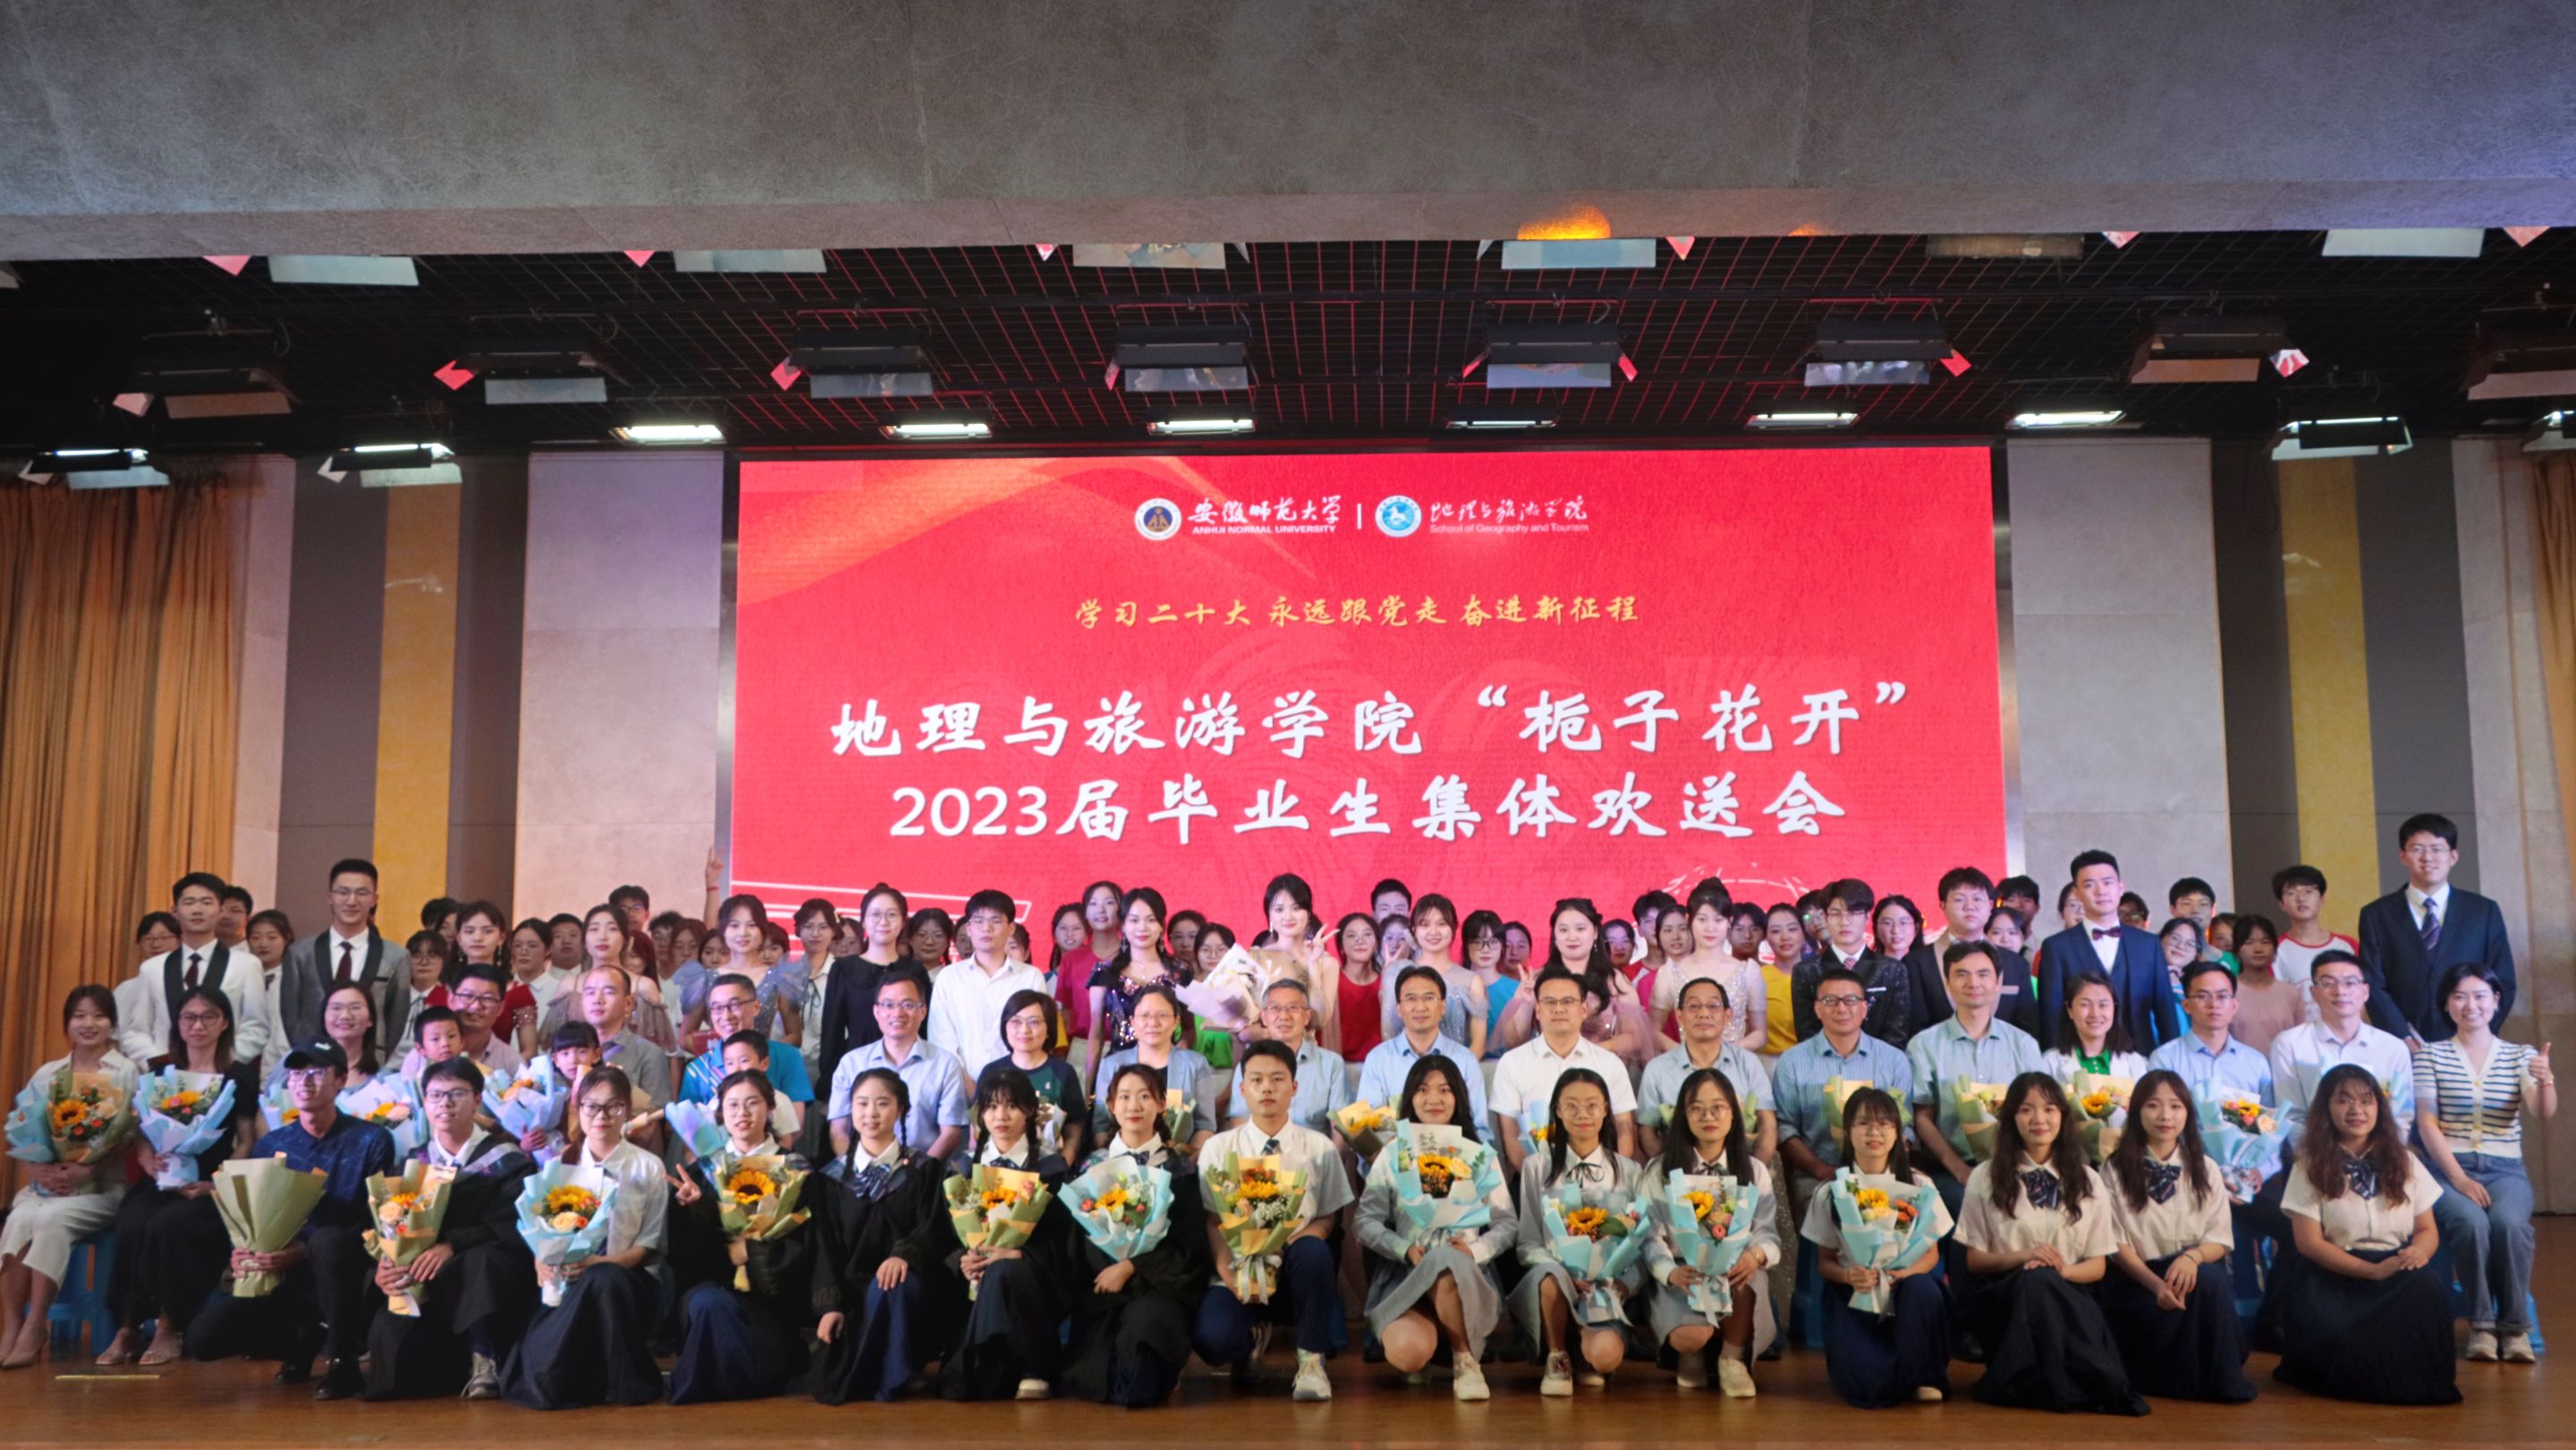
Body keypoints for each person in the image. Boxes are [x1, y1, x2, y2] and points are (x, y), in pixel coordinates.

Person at [185, 1039, 398, 1398]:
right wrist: (246, 1250)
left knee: (327, 1242)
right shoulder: (272, 1144)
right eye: (297, 1074)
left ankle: (342, 1361)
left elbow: (376, 1221)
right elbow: (258, 1216)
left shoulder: (372, 1139)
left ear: (340, 1080)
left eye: (316, 1073)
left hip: (347, 1272)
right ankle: (301, 1343)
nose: (304, 1082)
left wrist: (303, 1250)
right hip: (286, 1276)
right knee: (202, 1339)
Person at [1953, 1073, 2146, 1415]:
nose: (2038, 1119)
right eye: (2026, 1109)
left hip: (2070, 1295)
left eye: (2049, 1109)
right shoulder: (1985, 1175)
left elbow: (2097, 1266)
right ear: (2011, 1118)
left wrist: (2061, 1271)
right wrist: (2024, 1257)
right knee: (2036, 1281)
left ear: (2063, 1116)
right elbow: (1975, 1260)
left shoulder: (2089, 1180)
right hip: (2007, 1299)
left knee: (2044, 1281)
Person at [97, 984, 261, 1368]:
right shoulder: (160, 1072)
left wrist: (216, 1183)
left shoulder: (239, 1076)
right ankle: (128, 1326)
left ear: (224, 1023)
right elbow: (139, 1131)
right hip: (161, 1178)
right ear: (178, 1024)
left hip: (209, 1186)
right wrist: (147, 1158)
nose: (198, 1026)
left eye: (208, 1017)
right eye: (189, 1018)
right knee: (132, 1223)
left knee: (169, 1227)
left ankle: (170, 1324)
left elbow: (247, 1140)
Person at [2275, 1064, 2460, 1403]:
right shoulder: (2308, 1165)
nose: (2356, 1110)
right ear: (2327, 1108)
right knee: (2342, 1340)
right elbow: (2308, 1243)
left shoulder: (2406, 1161)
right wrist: (2370, 1271)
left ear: (2379, 1107)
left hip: (2395, 1266)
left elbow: (2427, 1230)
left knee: (2428, 1290)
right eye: (2343, 1100)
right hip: (2333, 1272)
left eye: (2366, 1100)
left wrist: (2419, 1252)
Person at [361, 1056, 538, 1400]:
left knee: (479, 1261)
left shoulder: (508, 1160)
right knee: (397, 1374)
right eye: (436, 1095)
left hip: (487, 1276)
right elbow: (391, 1227)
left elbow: (510, 1224)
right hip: (429, 1276)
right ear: (425, 1103)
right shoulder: (411, 1165)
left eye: (457, 1093)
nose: (446, 1103)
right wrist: (387, 1262)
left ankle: (485, 1356)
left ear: (477, 1099)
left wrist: (452, 1245)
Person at [1191, 1039, 1354, 1402]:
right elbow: (1212, 1219)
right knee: (1214, 1340)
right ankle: (1248, 1342)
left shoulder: (1319, 1147)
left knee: (1314, 1251)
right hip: (1239, 1270)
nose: (1267, 1088)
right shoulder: (1219, 1148)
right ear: (1242, 1089)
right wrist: (1227, 1272)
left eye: (1278, 1079)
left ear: (1294, 1087)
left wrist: (1299, 1238)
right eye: (1257, 1080)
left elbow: (1329, 1216)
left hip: (1296, 1268)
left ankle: (1311, 1363)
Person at [500, 1064, 668, 1409]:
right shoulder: (561, 1164)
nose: (601, 1116)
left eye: (613, 1106)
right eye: (592, 1106)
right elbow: (542, 1229)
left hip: (627, 1281)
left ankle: (624, 1385)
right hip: (568, 1280)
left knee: (603, 1279)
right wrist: (541, 1261)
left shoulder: (648, 1167)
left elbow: (648, 1245)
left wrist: (598, 1263)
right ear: (579, 1109)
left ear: (627, 1110)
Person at [2416, 962, 2555, 1362]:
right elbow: (2426, 1124)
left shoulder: (2520, 1055)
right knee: (2471, 1223)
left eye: (2480, 996)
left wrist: (2545, 1080)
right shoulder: (2430, 1055)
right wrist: (2458, 1178)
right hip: (2447, 1168)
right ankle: (2481, 1325)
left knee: (2510, 1224)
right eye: (2459, 996)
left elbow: (2542, 1111)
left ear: (2495, 1000)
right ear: (2447, 1004)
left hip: (2505, 1169)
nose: (2470, 1005)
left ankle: (2514, 1329)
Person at [1352, 1055, 1512, 1401]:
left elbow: (1506, 1223)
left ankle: (1465, 1359)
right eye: (1423, 1090)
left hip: (1465, 1274)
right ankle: (1432, 1350)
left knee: (1446, 1260)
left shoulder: (1479, 1155)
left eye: (1445, 1090)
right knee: (1407, 1354)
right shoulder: (1393, 1154)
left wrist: (1474, 1251)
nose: (1434, 1099)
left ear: (1459, 1098)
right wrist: (1403, 1248)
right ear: (1410, 1097)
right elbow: (1364, 1221)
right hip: (1407, 1273)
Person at [1, 987, 141, 1368]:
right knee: (18, 1220)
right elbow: (22, 1127)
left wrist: (88, 1169)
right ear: (67, 1024)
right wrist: (37, 1169)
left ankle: (36, 1324)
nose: (88, 1023)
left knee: (49, 1220)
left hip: (103, 1188)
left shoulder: (126, 1072)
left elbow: (129, 1136)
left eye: (98, 1015)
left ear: (112, 1023)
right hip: (46, 1186)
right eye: (79, 1015)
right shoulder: (48, 1073)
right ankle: (11, 1326)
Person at [809, 1068, 964, 1404]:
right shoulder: (830, 1179)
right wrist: (830, 1306)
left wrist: (903, 1254)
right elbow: (825, 1246)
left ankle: (896, 1374)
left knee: (892, 1285)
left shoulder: (924, 1170)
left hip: (913, 1286)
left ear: (901, 1109)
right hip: (853, 1292)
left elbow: (936, 1228)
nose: (871, 1113)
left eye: (882, 1103)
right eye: (862, 1103)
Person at [1063, 1061, 1213, 1407]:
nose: (1134, 1106)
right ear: (1111, 1106)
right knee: (1094, 1378)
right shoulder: (1092, 1167)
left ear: (1161, 1104)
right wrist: (1110, 1268)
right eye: (1125, 1097)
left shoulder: (1179, 1167)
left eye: (1145, 1096)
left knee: (1141, 1383)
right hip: (1104, 1290)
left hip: (1161, 1288)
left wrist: (1132, 1267)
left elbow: (1190, 1244)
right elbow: (1079, 1239)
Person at [2100, 1069, 2254, 1402]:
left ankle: (2218, 1383)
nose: (2165, 1116)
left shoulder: (2206, 1168)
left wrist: (2191, 1258)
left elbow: (2219, 1238)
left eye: (2175, 1106)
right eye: (2153, 1105)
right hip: (2138, 1279)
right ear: (2137, 1111)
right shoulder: (2114, 1168)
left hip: (2191, 1272)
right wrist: (2156, 1286)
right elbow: (2115, 1244)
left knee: (2209, 1281)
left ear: (2187, 1112)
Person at [665, 1069, 817, 1403]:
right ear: (721, 1112)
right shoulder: (703, 1171)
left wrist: (753, 1251)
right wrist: (693, 1209)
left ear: (770, 1108)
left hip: (772, 1295)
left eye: (752, 1103)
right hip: (714, 1285)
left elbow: (808, 1243)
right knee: (708, 1303)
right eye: (732, 1105)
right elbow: (683, 1257)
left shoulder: (795, 1169)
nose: (742, 1113)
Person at [1802, 1086, 1953, 1406]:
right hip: (1855, 1294)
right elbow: (1825, 1262)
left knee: (1923, 1289)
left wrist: (1906, 1273)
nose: (1874, 1132)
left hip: (1907, 1291)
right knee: (1868, 1390)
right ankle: (1892, 1374)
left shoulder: (1919, 1184)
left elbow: (1932, 1254)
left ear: (1898, 1133)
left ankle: (1924, 1374)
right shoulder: (1830, 1191)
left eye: (1884, 1124)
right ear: (1847, 1132)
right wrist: (1849, 1276)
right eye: (1863, 1123)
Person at [940, 1065, 1073, 1401]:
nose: (1001, 1116)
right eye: (992, 1106)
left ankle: (1028, 1367)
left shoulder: (1050, 1168)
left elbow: (1065, 1240)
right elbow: (943, 1233)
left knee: (1006, 1270)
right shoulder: (961, 1168)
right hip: (973, 1278)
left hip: (1031, 1282)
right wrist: (965, 1259)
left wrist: (1019, 1254)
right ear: (980, 1114)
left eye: (1012, 1105)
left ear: (1030, 1111)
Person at [1640, 1070, 1777, 1396]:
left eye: (1718, 1107)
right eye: (1697, 1109)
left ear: (1734, 1113)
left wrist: (1755, 1256)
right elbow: (1648, 1236)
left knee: (1749, 1279)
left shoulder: (1754, 1170)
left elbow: (1767, 1233)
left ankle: (1732, 1358)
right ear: (1683, 1116)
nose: (1708, 1117)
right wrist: (1670, 1272)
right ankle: (1692, 1353)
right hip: (1683, 1273)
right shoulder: (1660, 1170)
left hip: (1734, 1273)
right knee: (1690, 1336)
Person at [1511, 1069, 1645, 1395]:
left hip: (1604, 1291)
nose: (1582, 1114)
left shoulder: (1629, 1171)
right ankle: (1557, 1355)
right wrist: (1561, 1272)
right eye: (1571, 1105)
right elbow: (1527, 1242)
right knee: (1549, 1278)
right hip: (1552, 1288)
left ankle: (1585, 1354)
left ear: (1605, 1110)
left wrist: (1626, 1285)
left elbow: (1641, 1245)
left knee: (1605, 1358)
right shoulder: (1536, 1167)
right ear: (1557, 1111)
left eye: (1592, 1105)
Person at [1908, 943, 2043, 1223]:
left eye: (1983, 974)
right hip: (1951, 1169)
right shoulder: (1924, 1045)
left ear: (1998, 982)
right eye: (1961, 974)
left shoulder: (2023, 1044)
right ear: (1947, 983)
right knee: (1967, 1206)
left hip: (2018, 1165)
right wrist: (1959, 1170)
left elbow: (2038, 1112)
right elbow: (1922, 1117)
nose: (1973, 983)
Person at [1771, 965, 1914, 1229]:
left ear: (1864, 1008)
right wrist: (1820, 1169)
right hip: (1818, 1176)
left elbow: (1905, 1126)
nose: (1841, 1008)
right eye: (1830, 1001)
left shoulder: (1894, 1060)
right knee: (1827, 1209)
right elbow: (1785, 1129)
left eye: (1851, 1000)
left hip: (1884, 1173)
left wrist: (1881, 1172)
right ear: (1817, 1009)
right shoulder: (1792, 1062)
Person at [2358, 812, 2519, 1044]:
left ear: (2453, 856)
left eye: (2437, 849)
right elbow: (2372, 983)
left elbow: (2503, 980)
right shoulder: (2376, 915)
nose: (2428, 857)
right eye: (2417, 849)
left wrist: (2479, 1033)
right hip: (2405, 1045)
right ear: (2403, 856)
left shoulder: (2483, 911)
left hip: (2470, 1041)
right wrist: (2402, 1037)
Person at [1492, 965, 1640, 1174]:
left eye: (1568, 1001)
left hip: (1600, 1175)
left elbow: (1624, 1126)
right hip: (1536, 1175)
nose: (1559, 1009)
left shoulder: (1609, 1063)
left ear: (1584, 1010)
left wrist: (1614, 1175)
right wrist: (1536, 1180)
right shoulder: (1513, 1062)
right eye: (1550, 1002)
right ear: (1538, 1010)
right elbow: (1510, 1134)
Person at [123, 871, 274, 1069]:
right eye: (189, 902)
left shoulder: (246, 965)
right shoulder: (152, 969)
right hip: (165, 1075)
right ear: (175, 911)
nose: (197, 910)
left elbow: (256, 1027)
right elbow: (137, 1031)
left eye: (206, 902)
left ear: (221, 910)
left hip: (223, 1072)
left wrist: (217, 1063)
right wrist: (160, 1064)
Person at [2036, 850, 2182, 1051]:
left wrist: (2170, 1060)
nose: (2101, 891)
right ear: (2077, 894)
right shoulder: (2057, 948)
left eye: (2107, 882)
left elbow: (2165, 1012)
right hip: (2079, 1059)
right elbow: (2051, 1017)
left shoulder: (2149, 945)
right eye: (2089, 885)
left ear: (2120, 888)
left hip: (2141, 1057)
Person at [826, 970, 969, 1163]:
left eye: (908, 1005)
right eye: (888, 1005)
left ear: (923, 1011)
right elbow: (838, 1129)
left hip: (924, 1171)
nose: (898, 1013)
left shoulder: (946, 1065)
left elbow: (950, 1134)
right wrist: (856, 1167)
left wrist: (916, 1173)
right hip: (861, 1170)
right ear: (876, 1011)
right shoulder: (852, 1063)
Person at [275, 858, 409, 1059]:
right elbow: (291, 1015)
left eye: (362, 893)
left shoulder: (396, 956)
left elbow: (396, 1021)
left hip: (369, 1062)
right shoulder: (300, 953)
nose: (351, 901)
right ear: (329, 897)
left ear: (374, 899)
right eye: (343, 892)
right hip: (312, 1060)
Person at [1636, 977, 1775, 1161]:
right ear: (1679, 1016)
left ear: (1727, 1016)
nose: (1703, 1013)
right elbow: (1646, 1131)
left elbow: (1768, 1123)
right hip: (1679, 1171)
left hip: (1742, 1165)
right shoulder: (1658, 1069)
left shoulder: (1748, 1063)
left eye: (1713, 1006)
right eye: (1694, 1006)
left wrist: (1754, 1170)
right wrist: (1671, 1172)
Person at [1356, 965, 1491, 1134]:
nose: (1420, 1007)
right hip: (1396, 1150)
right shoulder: (1378, 1059)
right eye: (1411, 999)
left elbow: (1480, 1129)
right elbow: (1369, 1127)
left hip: (1454, 1150)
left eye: (1429, 998)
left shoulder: (1465, 1060)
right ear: (1398, 1008)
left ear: (1443, 1006)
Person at [928, 890, 1047, 1080]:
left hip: (1017, 1086)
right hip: (957, 1087)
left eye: (996, 921)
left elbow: (1036, 1037)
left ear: (1011, 928)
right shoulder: (949, 978)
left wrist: (1007, 1091)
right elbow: (941, 1043)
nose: (987, 928)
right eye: (979, 921)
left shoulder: (1030, 977)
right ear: (969, 928)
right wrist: (969, 1088)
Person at [1089, 984, 1217, 1155]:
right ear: (1133, 1021)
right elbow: (1101, 1126)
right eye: (1145, 1015)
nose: (1153, 1023)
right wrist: (1118, 1160)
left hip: (1180, 1160)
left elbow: (1205, 1126)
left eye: (1162, 1015)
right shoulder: (1111, 1065)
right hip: (1120, 1161)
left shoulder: (1196, 1064)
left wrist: (1185, 1161)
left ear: (1176, 1021)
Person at [1790, 878, 1914, 1044]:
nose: (1844, 922)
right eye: (1836, 913)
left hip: (1882, 1059)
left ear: (1867, 917)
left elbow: (1897, 1033)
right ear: (1826, 917)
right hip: (1823, 1060)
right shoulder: (1806, 971)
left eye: (1853, 913)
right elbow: (1807, 1034)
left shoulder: (1892, 969)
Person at [816, 884, 911, 1092]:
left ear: (903, 921)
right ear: (863, 920)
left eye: (892, 915)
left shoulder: (914, 970)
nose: (883, 922)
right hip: (856, 1073)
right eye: (875, 914)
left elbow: (923, 1031)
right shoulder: (844, 969)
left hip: (907, 1073)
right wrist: (830, 1083)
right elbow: (832, 1033)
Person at [1226, 979, 1350, 1137]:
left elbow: (1341, 1127)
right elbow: (1239, 1122)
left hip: (1314, 1151)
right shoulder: (1249, 1065)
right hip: (1260, 1152)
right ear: (1264, 1017)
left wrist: (1332, 1154)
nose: (1284, 1016)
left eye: (1293, 1008)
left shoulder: (1331, 1064)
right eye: (1275, 1008)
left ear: (1307, 1016)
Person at [2148, 962, 2275, 1106]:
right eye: (2203, 996)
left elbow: (2268, 1117)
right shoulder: (2165, 1059)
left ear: (2234, 1006)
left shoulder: (2256, 1062)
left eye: (2222, 996)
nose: (2214, 1004)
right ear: (2186, 1006)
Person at [683, 972, 814, 1107]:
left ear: (756, 1007)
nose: (726, 1016)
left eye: (735, 1005)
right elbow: (687, 1119)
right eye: (717, 1008)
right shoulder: (697, 1070)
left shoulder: (788, 1056)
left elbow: (794, 1119)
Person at [1087, 886, 1182, 1069]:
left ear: (1161, 925)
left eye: (1151, 920)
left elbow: (1188, 1031)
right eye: (1134, 920)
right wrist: (1090, 1082)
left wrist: (1180, 1063)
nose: (1142, 928)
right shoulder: (1104, 973)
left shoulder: (1178, 973)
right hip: (1119, 1070)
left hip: (1167, 1070)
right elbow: (1096, 1035)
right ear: (1123, 925)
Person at [989, 988, 1088, 1163]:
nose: (1024, 1030)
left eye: (1034, 1022)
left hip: (1048, 1167)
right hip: (998, 1168)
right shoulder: (991, 1072)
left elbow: (1075, 1124)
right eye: (1016, 1021)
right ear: (1005, 1026)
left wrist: (1065, 1161)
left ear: (1049, 1028)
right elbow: (978, 1126)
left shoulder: (1063, 1072)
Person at [577, 960, 673, 1112]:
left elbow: (657, 1115)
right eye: (590, 992)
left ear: (628, 1003)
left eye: (608, 992)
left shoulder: (649, 1054)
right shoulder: (567, 1050)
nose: (597, 1000)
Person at [400, 962, 522, 1081]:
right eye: (468, 996)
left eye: (487, 998)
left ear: (500, 1008)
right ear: (451, 999)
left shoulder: (511, 1063)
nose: (476, 1006)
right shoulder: (420, 1056)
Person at [2269, 863, 2353, 1017]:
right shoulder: (2274, 950)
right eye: (2291, 893)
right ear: (2282, 904)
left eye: (2308, 891)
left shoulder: (2348, 946)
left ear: (2321, 899)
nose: (2301, 899)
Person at [2038, 971, 2149, 1085]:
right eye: (2085, 1004)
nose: (2095, 1014)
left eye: (2103, 1005)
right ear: (2069, 1010)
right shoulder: (2049, 1064)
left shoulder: (2135, 1063)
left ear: (2114, 1009)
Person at [1055, 880, 1122, 1046]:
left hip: (1126, 1049)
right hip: (1081, 1047)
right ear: (1085, 912)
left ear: (1122, 909)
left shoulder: (1134, 956)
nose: (1101, 910)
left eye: (1109, 902)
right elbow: (1067, 1013)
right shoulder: (1071, 960)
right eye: (1093, 903)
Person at [2228, 913, 2305, 1052]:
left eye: (2265, 942)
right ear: (2237, 950)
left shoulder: (2291, 993)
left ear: (2275, 949)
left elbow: (2301, 1040)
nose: (2258, 949)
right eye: (2249, 942)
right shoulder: (2227, 993)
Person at [1334, 912, 1389, 1063]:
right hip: (1339, 1065)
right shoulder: (1332, 981)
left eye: (1367, 934)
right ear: (1341, 945)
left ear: (1377, 943)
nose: (1360, 941)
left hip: (1380, 1065)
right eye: (1352, 936)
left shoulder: (1386, 981)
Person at [1462, 909, 1517, 1059]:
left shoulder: (1517, 990)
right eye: (1478, 942)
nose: (1486, 949)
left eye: (1493, 942)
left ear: (1502, 946)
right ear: (1466, 945)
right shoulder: (1455, 986)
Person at [2157, 917, 2204, 994]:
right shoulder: (2142, 972)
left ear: (2195, 955)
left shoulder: (2198, 984)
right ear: (2161, 939)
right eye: (2175, 938)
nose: (2180, 946)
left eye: (2190, 944)